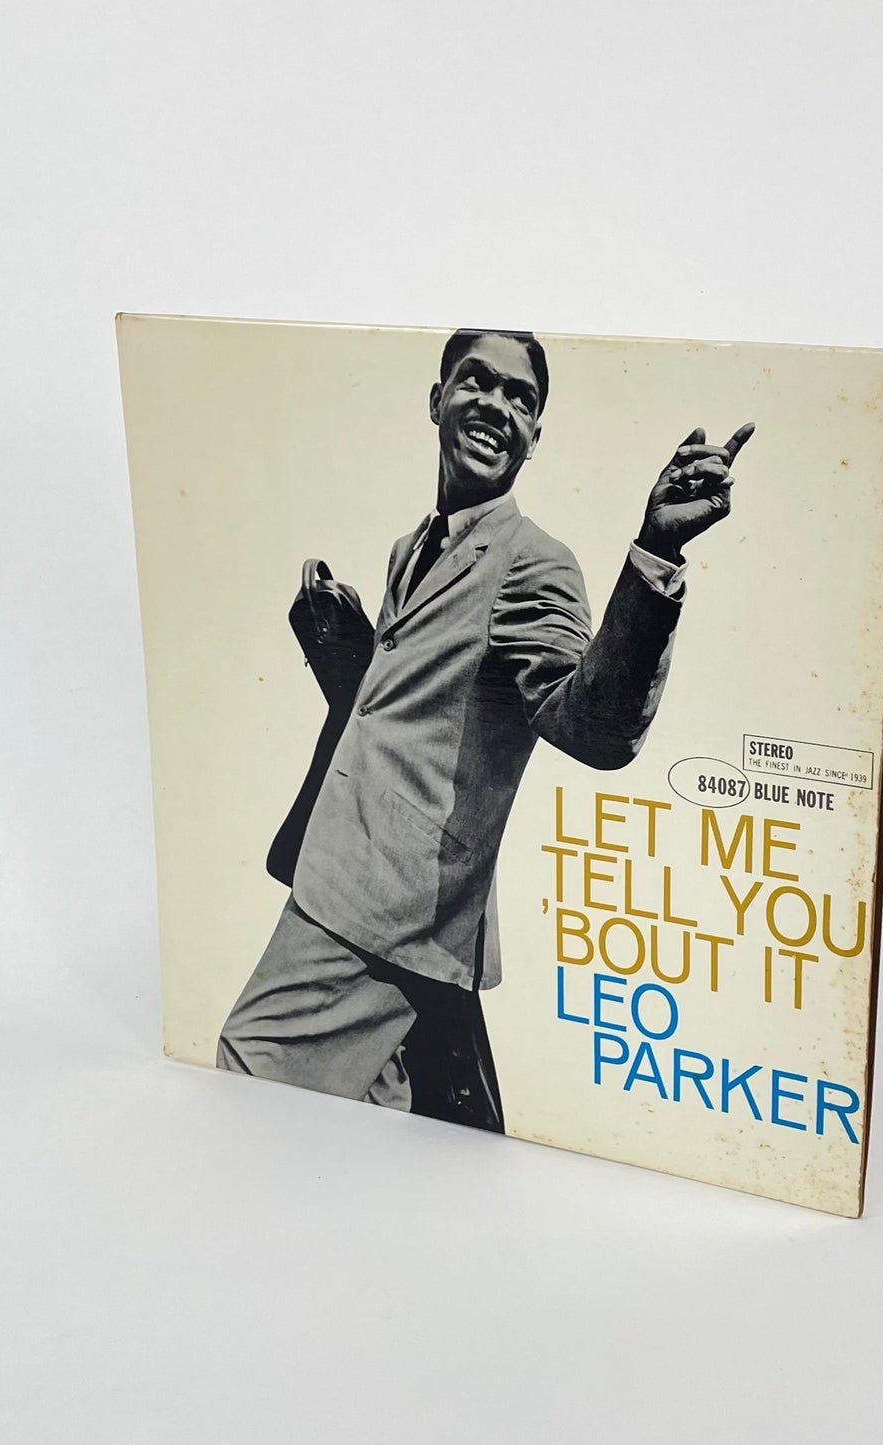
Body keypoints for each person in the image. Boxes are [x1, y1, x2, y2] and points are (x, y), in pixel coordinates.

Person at [217, 328, 753, 1130]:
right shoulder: (410, 550)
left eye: (520, 398)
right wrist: (350, 658)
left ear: (534, 436)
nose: (496, 406)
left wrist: (656, 549)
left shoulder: (533, 562)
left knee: (247, 1074)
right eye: (477, 382)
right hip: (348, 879)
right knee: (384, 1129)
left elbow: (593, 728)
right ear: (437, 401)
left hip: (388, 912)